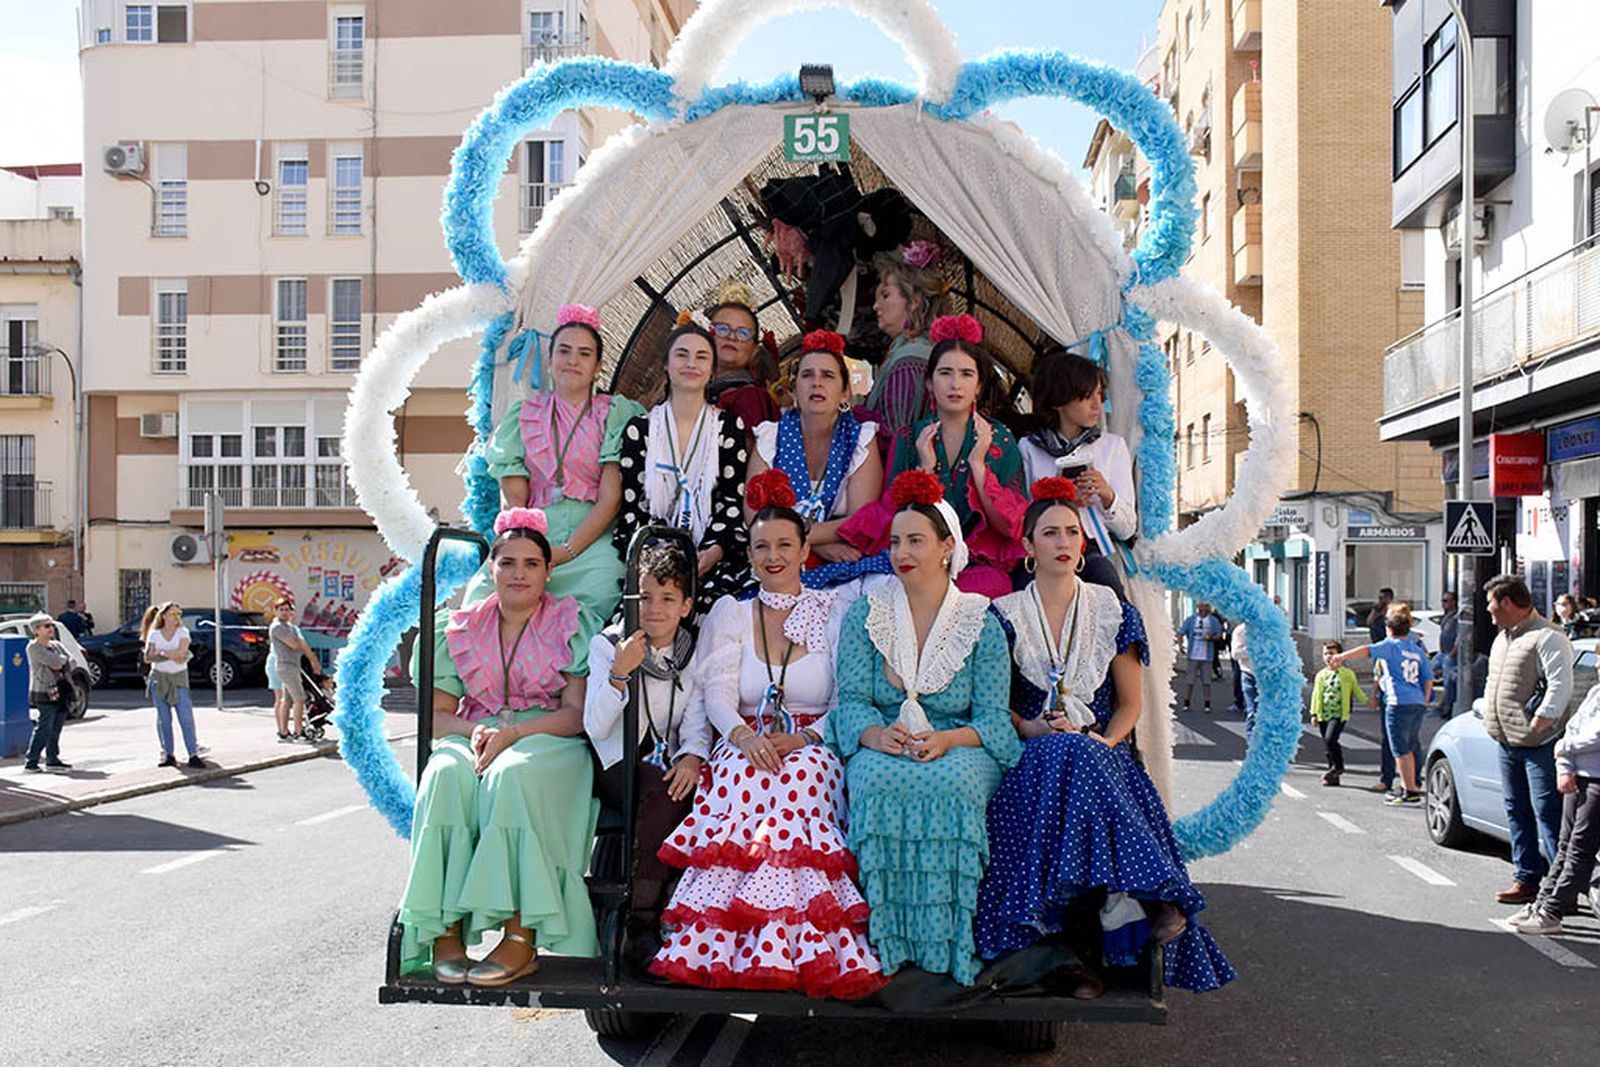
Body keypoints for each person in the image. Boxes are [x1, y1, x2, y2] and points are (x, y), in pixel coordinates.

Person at [976, 478, 1234, 994]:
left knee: (1079, 752)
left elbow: (1131, 705)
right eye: (1050, 533)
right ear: (1028, 547)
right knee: (1062, 750)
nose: (1064, 542)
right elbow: (992, 707)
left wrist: (1105, 741)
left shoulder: (1113, 611)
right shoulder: (1002, 616)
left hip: (1100, 752)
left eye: (1072, 531)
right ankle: (1142, 897)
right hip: (1029, 751)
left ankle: (1088, 941)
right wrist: (1031, 726)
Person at [650, 472, 884, 998]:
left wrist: (805, 741)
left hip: (813, 744)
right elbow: (716, 691)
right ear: (750, 554)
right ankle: (727, 943)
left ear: (805, 550)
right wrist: (740, 736)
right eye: (761, 547)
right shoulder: (730, 611)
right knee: (743, 775)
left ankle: (791, 942)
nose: (772, 556)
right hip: (745, 739)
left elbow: (847, 698)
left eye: (784, 544)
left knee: (797, 778)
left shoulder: (836, 611)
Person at [828, 470, 1022, 986]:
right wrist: (873, 736)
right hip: (886, 738)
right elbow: (850, 700)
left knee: (954, 783)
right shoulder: (865, 614)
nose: (901, 551)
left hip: (960, 743)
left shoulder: (979, 620)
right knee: (871, 778)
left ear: (945, 548)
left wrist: (946, 740)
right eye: (894, 541)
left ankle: (949, 942)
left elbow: (992, 719)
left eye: (916, 540)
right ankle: (887, 942)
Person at [399, 507, 599, 985]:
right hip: (475, 729)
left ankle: (520, 935)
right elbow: (437, 715)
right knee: (445, 774)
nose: (519, 573)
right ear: (492, 569)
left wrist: (514, 735)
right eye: (508, 562)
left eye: (532, 563)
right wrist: (477, 734)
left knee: (513, 775)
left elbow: (574, 716)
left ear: (549, 571)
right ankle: (443, 929)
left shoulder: (573, 621)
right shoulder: (461, 626)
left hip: (547, 737)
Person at [481, 304, 645, 628]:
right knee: (482, 599)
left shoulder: (614, 413)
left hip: (593, 539)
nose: (573, 361)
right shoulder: (523, 415)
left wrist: (566, 552)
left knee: (601, 592)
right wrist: (529, 548)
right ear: (551, 359)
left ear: (598, 366)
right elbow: (514, 498)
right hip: (533, 535)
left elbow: (610, 499)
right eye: (564, 351)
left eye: (584, 354)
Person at [584, 537, 708, 965]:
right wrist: (620, 674)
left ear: (686, 606)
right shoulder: (609, 645)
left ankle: (691, 907)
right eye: (645, 597)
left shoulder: (689, 653)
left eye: (667, 598)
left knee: (691, 788)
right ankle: (641, 918)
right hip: (617, 761)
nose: (654, 608)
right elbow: (595, 725)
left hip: (664, 758)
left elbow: (695, 720)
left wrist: (692, 755)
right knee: (659, 790)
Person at [873, 314, 1028, 600]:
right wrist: (926, 469)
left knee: (996, 586)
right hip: (919, 562)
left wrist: (978, 466)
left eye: (966, 374)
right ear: (930, 383)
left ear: (979, 386)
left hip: (979, 566)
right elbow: (895, 523)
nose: (955, 384)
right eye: (945, 373)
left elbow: (1008, 525)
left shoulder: (1001, 438)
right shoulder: (908, 438)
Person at [613, 321, 750, 622]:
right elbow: (633, 507)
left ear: (713, 369)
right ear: (666, 363)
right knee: (639, 618)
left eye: (702, 356)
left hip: (710, 559)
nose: (691, 363)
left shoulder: (728, 427)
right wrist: (662, 558)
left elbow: (731, 502)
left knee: (718, 616)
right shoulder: (641, 429)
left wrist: (712, 553)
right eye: (682, 355)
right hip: (654, 560)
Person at [748, 329, 886, 587]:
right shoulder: (770, 437)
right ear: (795, 389)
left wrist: (802, 539)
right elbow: (755, 517)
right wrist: (817, 546)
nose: (816, 383)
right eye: (807, 375)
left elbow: (859, 520)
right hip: (779, 558)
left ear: (845, 392)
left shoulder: (860, 439)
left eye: (828, 376)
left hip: (845, 560)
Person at [1479, 574, 1577, 906]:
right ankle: (1527, 879)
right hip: (1507, 741)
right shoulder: (1502, 638)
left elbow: (1560, 683)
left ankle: (1562, 888)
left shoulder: (1548, 636)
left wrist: (1544, 717)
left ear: (1506, 602)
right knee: (1516, 811)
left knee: (1548, 813)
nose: (1488, 611)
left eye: (1491, 604)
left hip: (1540, 743)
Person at [1019, 350, 1135, 597]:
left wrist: (1107, 496)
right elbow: (1020, 515)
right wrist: (1061, 501)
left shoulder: (1112, 447)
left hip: (1089, 550)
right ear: (1059, 400)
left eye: (1099, 395)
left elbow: (1127, 529)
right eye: (1086, 397)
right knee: (1019, 596)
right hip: (1041, 551)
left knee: (1114, 600)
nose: (1097, 405)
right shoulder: (1029, 447)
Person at [1510, 683, 1600, 935]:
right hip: (1579, 775)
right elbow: (1572, 728)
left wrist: (1565, 748)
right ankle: (1542, 905)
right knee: (1564, 847)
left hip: (1596, 781)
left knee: (1580, 850)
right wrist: (1565, 767)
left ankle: (1552, 911)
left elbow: (1595, 736)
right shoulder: (1595, 693)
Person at [1334, 604, 1434, 804]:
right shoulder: (1416, 650)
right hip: (1416, 702)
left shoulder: (1390, 646)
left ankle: (1409, 791)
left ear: (1389, 630)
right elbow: (1428, 678)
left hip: (1398, 702)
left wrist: (1342, 656)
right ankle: (1411, 784)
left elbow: (1366, 650)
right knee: (1411, 744)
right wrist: (1424, 698)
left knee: (1400, 749)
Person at [863, 243, 944, 445]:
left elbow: (899, 437)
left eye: (885, 295)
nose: (876, 306)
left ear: (914, 301)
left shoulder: (909, 360)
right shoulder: (915, 351)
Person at [142, 602, 205, 769]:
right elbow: (149, 657)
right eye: (172, 614)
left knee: (185, 716)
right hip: (159, 678)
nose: (176, 617)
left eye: (178, 614)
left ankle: (193, 754)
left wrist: (162, 652)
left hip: (178, 678)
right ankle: (168, 753)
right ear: (163, 616)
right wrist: (171, 654)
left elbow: (182, 654)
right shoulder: (155, 634)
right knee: (163, 719)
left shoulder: (183, 632)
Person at [705, 293, 778, 437]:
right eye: (722, 329)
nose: (731, 337)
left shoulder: (751, 397)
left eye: (743, 333)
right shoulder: (700, 393)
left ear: (754, 350)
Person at [1309, 641, 1367, 787]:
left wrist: (1370, 701)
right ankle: (1332, 775)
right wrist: (1314, 713)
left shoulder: (1347, 674)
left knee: (1330, 739)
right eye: (1326, 654)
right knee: (1328, 746)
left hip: (1338, 714)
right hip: (1324, 713)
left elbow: (1357, 691)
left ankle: (1338, 766)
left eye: (1332, 653)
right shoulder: (1321, 675)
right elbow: (1316, 694)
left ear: (1340, 656)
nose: (1328, 656)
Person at [23, 613, 72, 773]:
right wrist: (58, 661)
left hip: (62, 690)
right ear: (36, 630)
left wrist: (58, 661)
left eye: (51, 625)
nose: (51, 629)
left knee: (56, 726)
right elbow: (56, 662)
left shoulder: (56, 645)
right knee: (44, 727)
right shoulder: (33, 647)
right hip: (44, 691)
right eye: (46, 626)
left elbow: (70, 660)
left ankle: (52, 759)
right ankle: (31, 761)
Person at [268, 599, 318, 742]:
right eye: (281, 609)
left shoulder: (289, 626)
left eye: (287, 609)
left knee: (288, 700)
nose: (284, 612)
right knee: (299, 699)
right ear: (276, 611)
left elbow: (299, 643)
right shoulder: (277, 627)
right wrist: (299, 641)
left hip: (292, 666)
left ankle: (283, 732)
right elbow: (295, 645)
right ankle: (299, 732)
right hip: (286, 666)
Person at [1177, 603, 1221, 713]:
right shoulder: (1191, 620)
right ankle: (1187, 702)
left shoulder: (1213, 621)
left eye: (1206, 606)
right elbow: (1181, 632)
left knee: (1206, 681)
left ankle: (1207, 704)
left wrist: (1211, 637)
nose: (1204, 609)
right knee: (1190, 680)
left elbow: (1219, 635)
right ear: (1198, 607)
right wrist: (1180, 645)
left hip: (1207, 655)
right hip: (1193, 654)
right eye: (1202, 606)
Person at [1436, 590, 1460, 718]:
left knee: (1449, 683)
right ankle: (1443, 706)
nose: (1443, 604)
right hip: (1444, 652)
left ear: (1454, 602)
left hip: (1450, 654)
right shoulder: (1447, 616)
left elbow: (1460, 637)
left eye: (1446, 601)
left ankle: (1447, 708)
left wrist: (1453, 653)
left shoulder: (1457, 617)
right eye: (1442, 601)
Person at [1232, 621, 1258, 734]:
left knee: (1270, 714)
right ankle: (1253, 746)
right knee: (1253, 711)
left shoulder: (1270, 628)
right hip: (1250, 675)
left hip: (1269, 677)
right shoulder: (1240, 630)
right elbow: (1235, 654)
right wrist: (1254, 649)